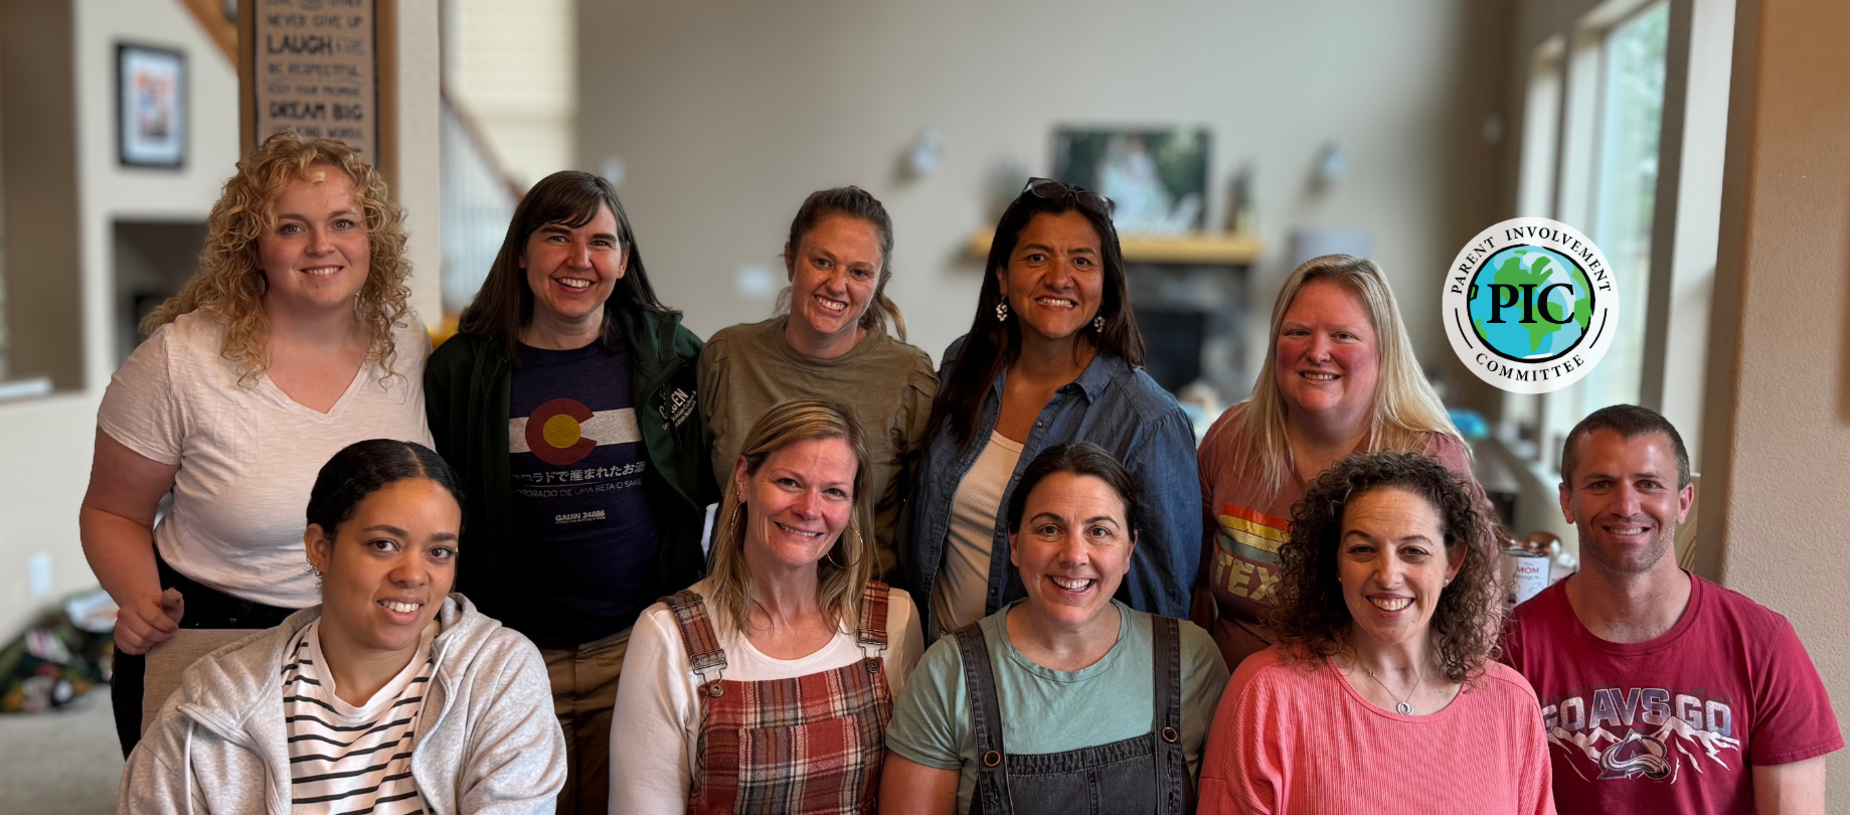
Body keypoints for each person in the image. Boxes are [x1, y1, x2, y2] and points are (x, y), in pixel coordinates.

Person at [81, 131, 433, 755]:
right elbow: (112, 511)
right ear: (253, 247)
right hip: (210, 639)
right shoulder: (178, 361)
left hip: (371, 646)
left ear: (371, 239)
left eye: (343, 222)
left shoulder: (404, 341)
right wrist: (140, 601)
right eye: (291, 227)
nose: (321, 245)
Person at [425, 170, 713, 815]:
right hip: (509, 657)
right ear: (520, 252)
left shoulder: (673, 357)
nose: (580, 259)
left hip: (638, 647)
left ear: (623, 261)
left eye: (600, 242)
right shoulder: (459, 371)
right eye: (558, 236)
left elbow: (716, 472)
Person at [120, 439, 566, 814]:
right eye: (383, 544)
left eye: (439, 552)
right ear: (320, 547)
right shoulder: (212, 702)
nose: (414, 575)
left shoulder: (498, 673)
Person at [1502, 405, 1841, 813]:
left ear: (1682, 502)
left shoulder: (1763, 646)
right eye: (1601, 484)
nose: (1626, 505)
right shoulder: (1514, 646)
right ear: (1568, 502)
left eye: (1648, 484)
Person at [909, 177, 1198, 636]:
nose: (1059, 278)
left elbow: (1160, 615)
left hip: (1055, 677)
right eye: (1037, 257)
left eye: (1081, 261)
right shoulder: (963, 366)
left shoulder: (1149, 422)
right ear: (1002, 276)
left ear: (1105, 285)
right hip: (937, 665)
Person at [609, 399, 925, 814]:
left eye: (833, 491)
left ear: (851, 507)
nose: (809, 509)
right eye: (789, 482)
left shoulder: (894, 620)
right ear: (743, 478)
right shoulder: (668, 635)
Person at [1197, 452, 1552, 815]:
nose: (1387, 576)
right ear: (1335, 561)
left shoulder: (1512, 703)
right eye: (1363, 549)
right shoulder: (1266, 694)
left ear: (1453, 563)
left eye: (1414, 551)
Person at [882, 443, 1228, 815]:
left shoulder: (1191, 659)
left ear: (1130, 549)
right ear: (1014, 543)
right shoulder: (948, 674)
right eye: (1049, 529)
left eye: (1099, 531)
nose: (1074, 556)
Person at [1194, 254, 1491, 672]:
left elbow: (1477, 615)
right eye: (1298, 332)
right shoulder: (1231, 437)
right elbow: (1191, 584)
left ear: (1384, 352)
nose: (1317, 352)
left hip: (1367, 700)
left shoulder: (1432, 457)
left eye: (1343, 336)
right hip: (1230, 692)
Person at [700, 186, 938, 581]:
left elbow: (924, 521)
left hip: (860, 605)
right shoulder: (728, 357)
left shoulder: (909, 378)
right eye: (822, 262)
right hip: (740, 597)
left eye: (859, 272)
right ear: (790, 260)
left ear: (879, 281)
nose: (837, 284)